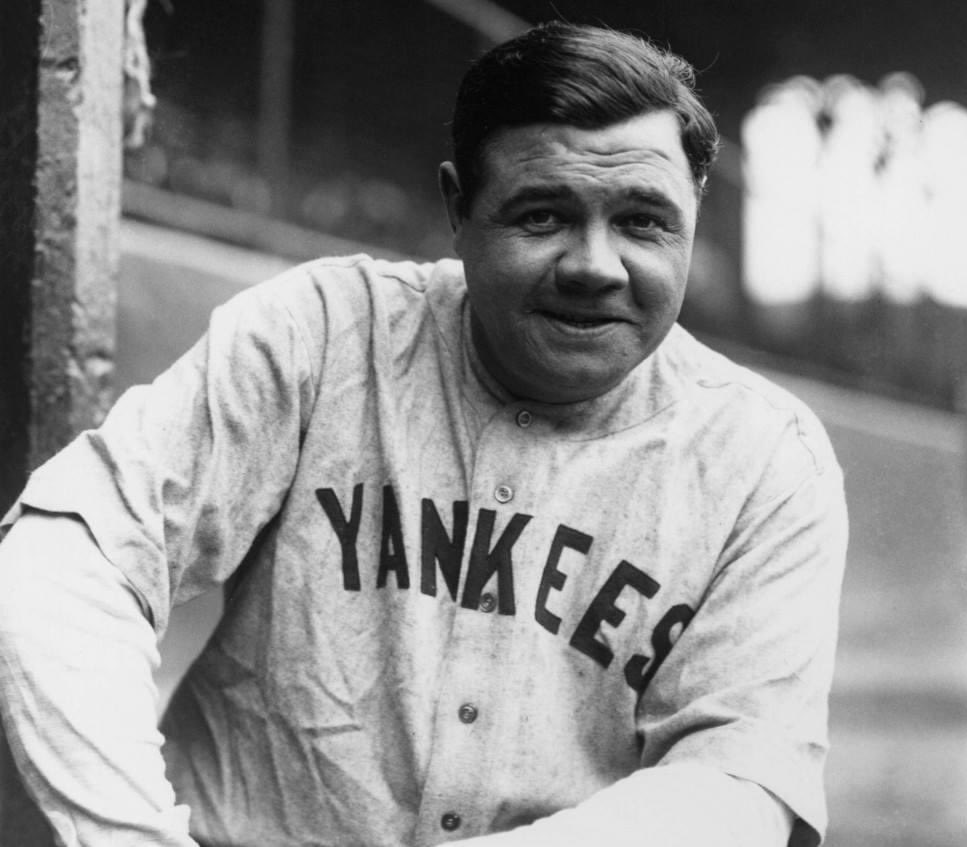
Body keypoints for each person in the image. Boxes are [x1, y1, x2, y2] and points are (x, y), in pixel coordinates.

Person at [0, 21, 847, 847]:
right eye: (543, 215)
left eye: (642, 221)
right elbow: (69, 550)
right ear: (458, 208)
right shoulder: (325, 333)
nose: (595, 264)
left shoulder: (767, 460)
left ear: (694, 217)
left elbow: (734, 785)